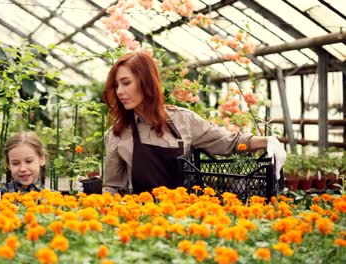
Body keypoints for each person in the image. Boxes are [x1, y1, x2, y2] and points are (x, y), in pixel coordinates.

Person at [99, 51, 286, 195]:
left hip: (184, 219)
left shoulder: (183, 121)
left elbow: (228, 141)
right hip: (143, 225)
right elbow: (112, 187)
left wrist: (268, 141)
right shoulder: (118, 133)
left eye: (126, 83)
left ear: (146, 83)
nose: (119, 92)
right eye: (116, 86)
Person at [0, 132, 47, 202]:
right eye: (15, 163)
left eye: (29, 161)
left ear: (42, 159)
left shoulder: (53, 197)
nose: (23, 169)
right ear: (8, 165)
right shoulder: (1, 192)